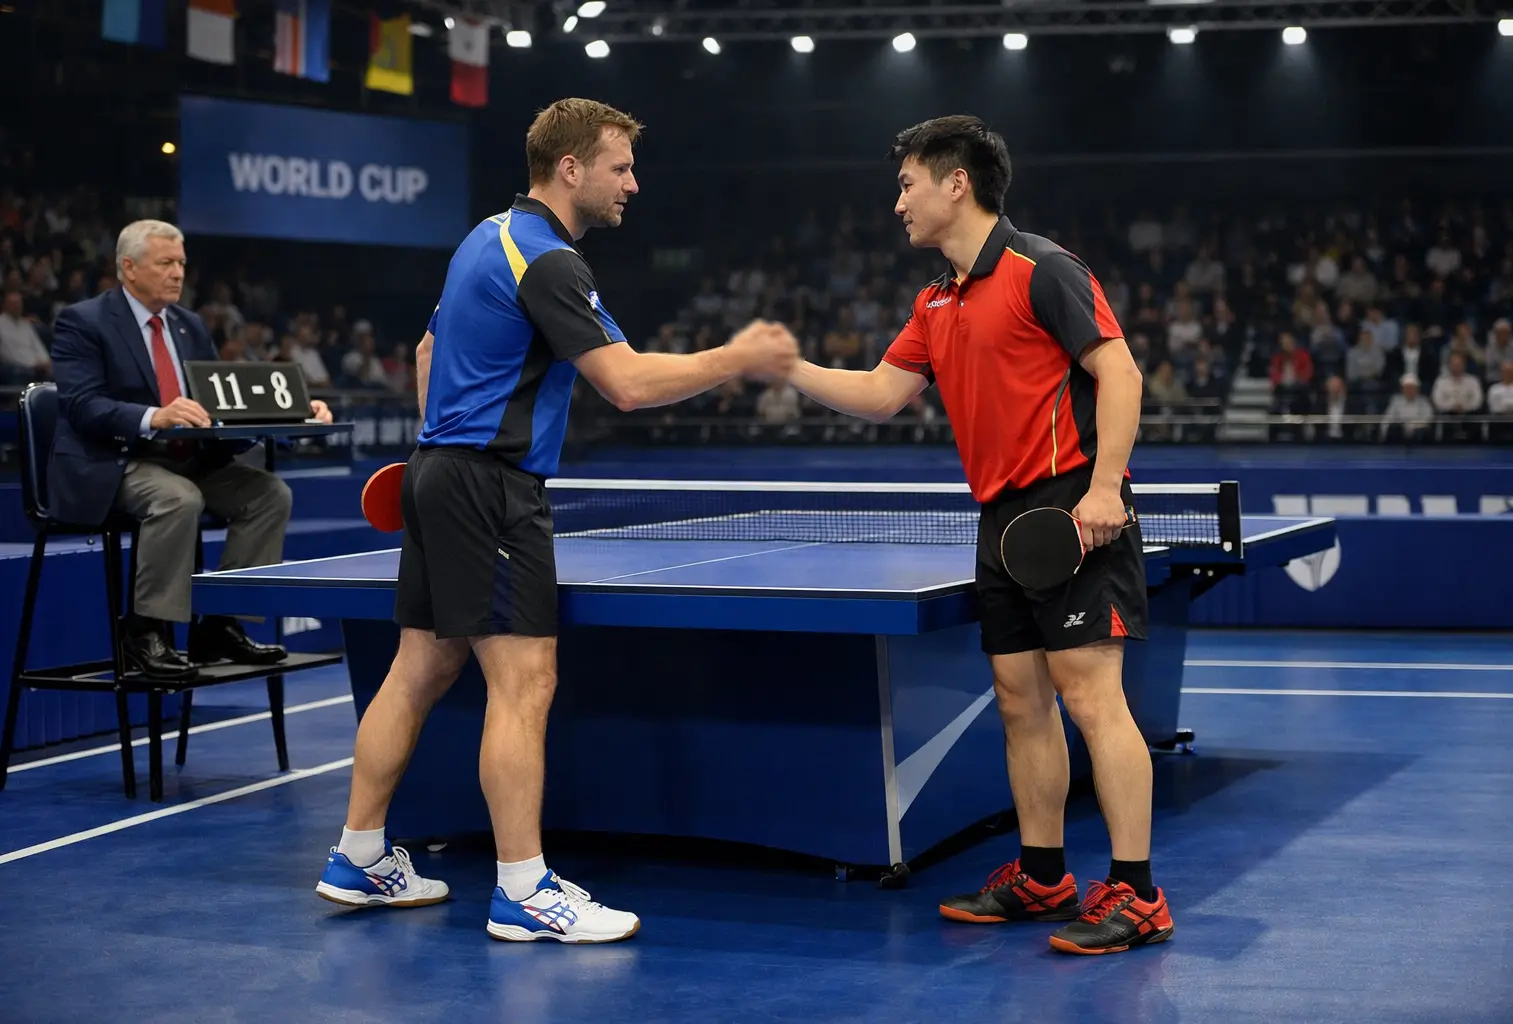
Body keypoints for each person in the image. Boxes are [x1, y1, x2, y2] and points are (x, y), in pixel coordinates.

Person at [315, 98, 799, 943]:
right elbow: (629, 385)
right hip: (493, 490)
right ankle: (524, 890)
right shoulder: (549, 261)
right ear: (570, 168)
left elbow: (428, 353)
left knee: (417, 670)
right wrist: (740, 358)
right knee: (525, 682)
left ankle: (358, 856)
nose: (633, 184)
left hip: (439, 473)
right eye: (621, 168)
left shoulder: (485, 237)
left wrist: (443, 445)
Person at [784, 116, 1172, 956]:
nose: (898, 203)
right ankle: (1043, 874)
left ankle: (1138, 894)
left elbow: (1119, 370)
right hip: (999, 520)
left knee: (1091, 700)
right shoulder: (935, 301)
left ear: (955, 182)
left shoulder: (1043, 269)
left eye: (907, 184)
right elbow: (881, 394)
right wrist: (786, 368)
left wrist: (1105, 487)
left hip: (1072, 510)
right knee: (1019, 702)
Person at [49, 220, 332, 680]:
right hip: (116, 460)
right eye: (166, 263)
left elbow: (220, 405)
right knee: (178, 498)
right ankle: (145, 632)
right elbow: (82, 405)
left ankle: (221, 624)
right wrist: (153, 415)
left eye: (181, 263)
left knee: (269, 495)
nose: (178, 272)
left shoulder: (190, 325)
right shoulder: (84, 321)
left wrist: (296, 414)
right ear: (129, 268)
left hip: (189, 458)